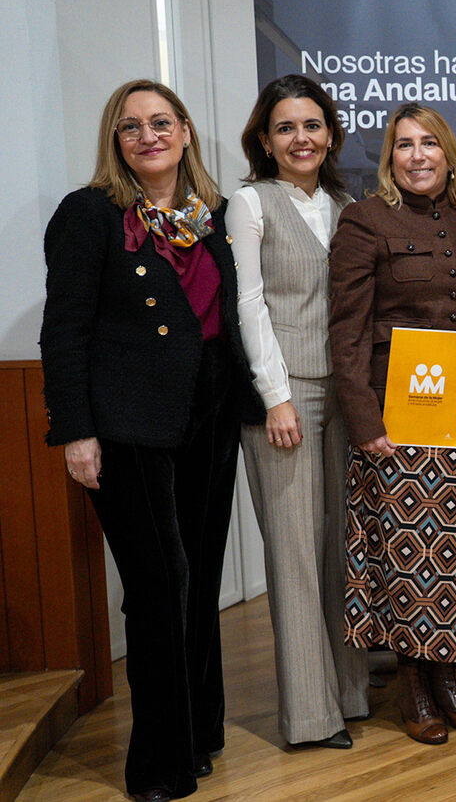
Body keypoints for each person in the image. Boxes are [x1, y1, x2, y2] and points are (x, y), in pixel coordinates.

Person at [40, 79, 264, 802]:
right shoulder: (89, 214)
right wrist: (76, 431)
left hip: (209, 414)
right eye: (131, 126)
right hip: (128, 425)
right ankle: (157, 764)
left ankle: (198, 734)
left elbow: (235, 313)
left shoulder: (213, 214)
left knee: (197, 578)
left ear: (186, 131)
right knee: (160, 585)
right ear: (116, 140)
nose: (149, 136)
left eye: (161, 122)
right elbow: (63, 330)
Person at [328, 103, 456, 745]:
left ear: (449, 155)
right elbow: (346, 330)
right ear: (390, 159)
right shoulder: (364, 221)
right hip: (395, 416)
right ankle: (414, 682)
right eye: (403, 145)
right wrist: (363, 419)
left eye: (428, 143)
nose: (417, 155)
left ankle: (449, 676)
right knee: (409, 557)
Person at [227, 74, 368, 750]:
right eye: (285, 128)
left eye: (312, 125)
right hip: (286, 398)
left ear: (331, 135)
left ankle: (351, 693)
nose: (301, 138)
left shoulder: (347, 204)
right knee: (294, 553)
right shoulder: (250, 203)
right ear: (265, 140)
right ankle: (311, 717)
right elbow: (248, 304)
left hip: (348, 394)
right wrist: (274, 396)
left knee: (342, 546)